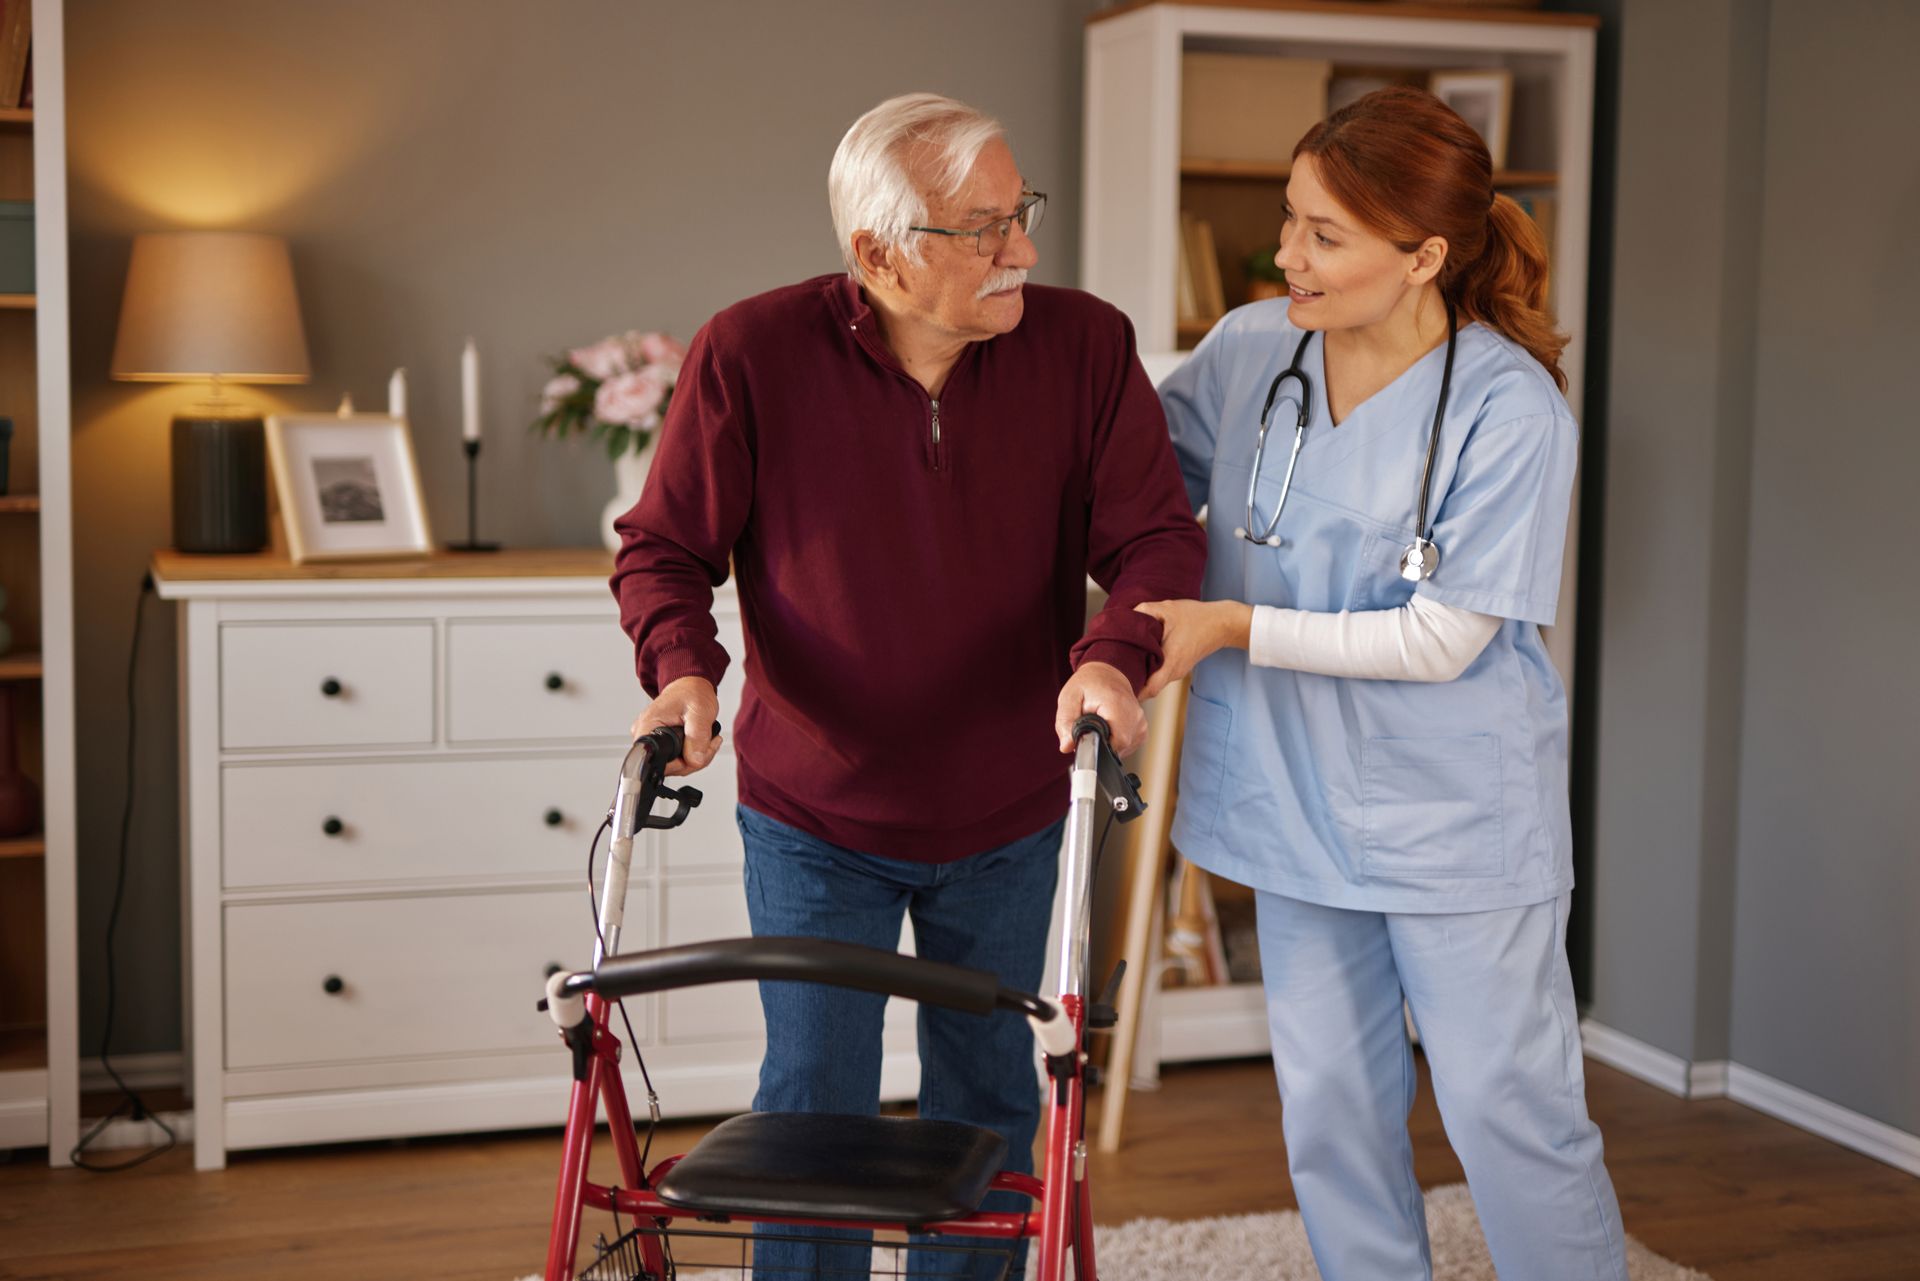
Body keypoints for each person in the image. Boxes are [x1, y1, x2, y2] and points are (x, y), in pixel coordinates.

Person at [611, 92, 1206, 1279]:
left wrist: (1111, 653)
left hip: (1009, 809)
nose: (1023, 251)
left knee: (988, 1099)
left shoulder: (1085, 347)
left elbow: (1158, 544)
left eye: (1021, 213)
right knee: (812, 1111)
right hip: (816, 813)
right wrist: (684, 670)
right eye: (983, 228)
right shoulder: (753, 353)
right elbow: (665, 549)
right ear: (878, 253)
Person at [1137, 87, 1631, 1281]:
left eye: (1325, 235)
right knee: (1332, 1117)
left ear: (1424, 256)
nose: (1287, 255)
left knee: (1513, 1118)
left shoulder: (1509, 407)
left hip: (1454, 819)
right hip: (1294, 801)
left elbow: (1440, 640)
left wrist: (1237, 626)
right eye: (1290, 220)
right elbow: (1138, 482)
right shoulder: (1257, 348)